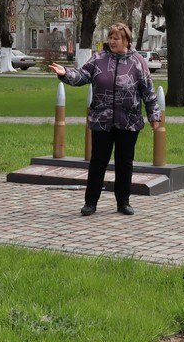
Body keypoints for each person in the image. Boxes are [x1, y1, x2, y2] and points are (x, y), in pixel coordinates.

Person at [48, 23, 161, 216]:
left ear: (126, 40)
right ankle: (90, 203)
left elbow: (148, 90)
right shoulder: (99, 58)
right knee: (98, 161)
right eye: (110, 38)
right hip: (102, 120)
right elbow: (82, 75)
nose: (112, 41)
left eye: (116, 38)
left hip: (129, 121)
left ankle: (123, 202)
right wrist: (66, 73)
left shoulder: (137, 61)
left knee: (124, 162)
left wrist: (154, 115)